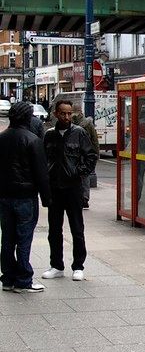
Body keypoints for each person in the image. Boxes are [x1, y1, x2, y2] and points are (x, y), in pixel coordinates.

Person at [42, 100, 98, 282]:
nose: (67, 117)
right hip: (55, 188)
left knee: (77, 228)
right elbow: (44, 160)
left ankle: (78, 266)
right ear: (56, 114)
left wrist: (78, 173)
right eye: (63, 113)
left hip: (73, 188)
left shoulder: (79, 133)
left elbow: (91, 156)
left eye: (69, 114)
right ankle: (56, 265)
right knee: (54, 230)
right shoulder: (49, 135)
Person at [0, 103, 51, 293]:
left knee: (7, 238)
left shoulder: (2, 138)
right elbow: (41, 174)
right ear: (28, 118)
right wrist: (47, 199)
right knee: (23, 238)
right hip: (25, 197)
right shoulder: (33, 140)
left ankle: (7, 278)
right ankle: (23, 279)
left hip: (4, 196)